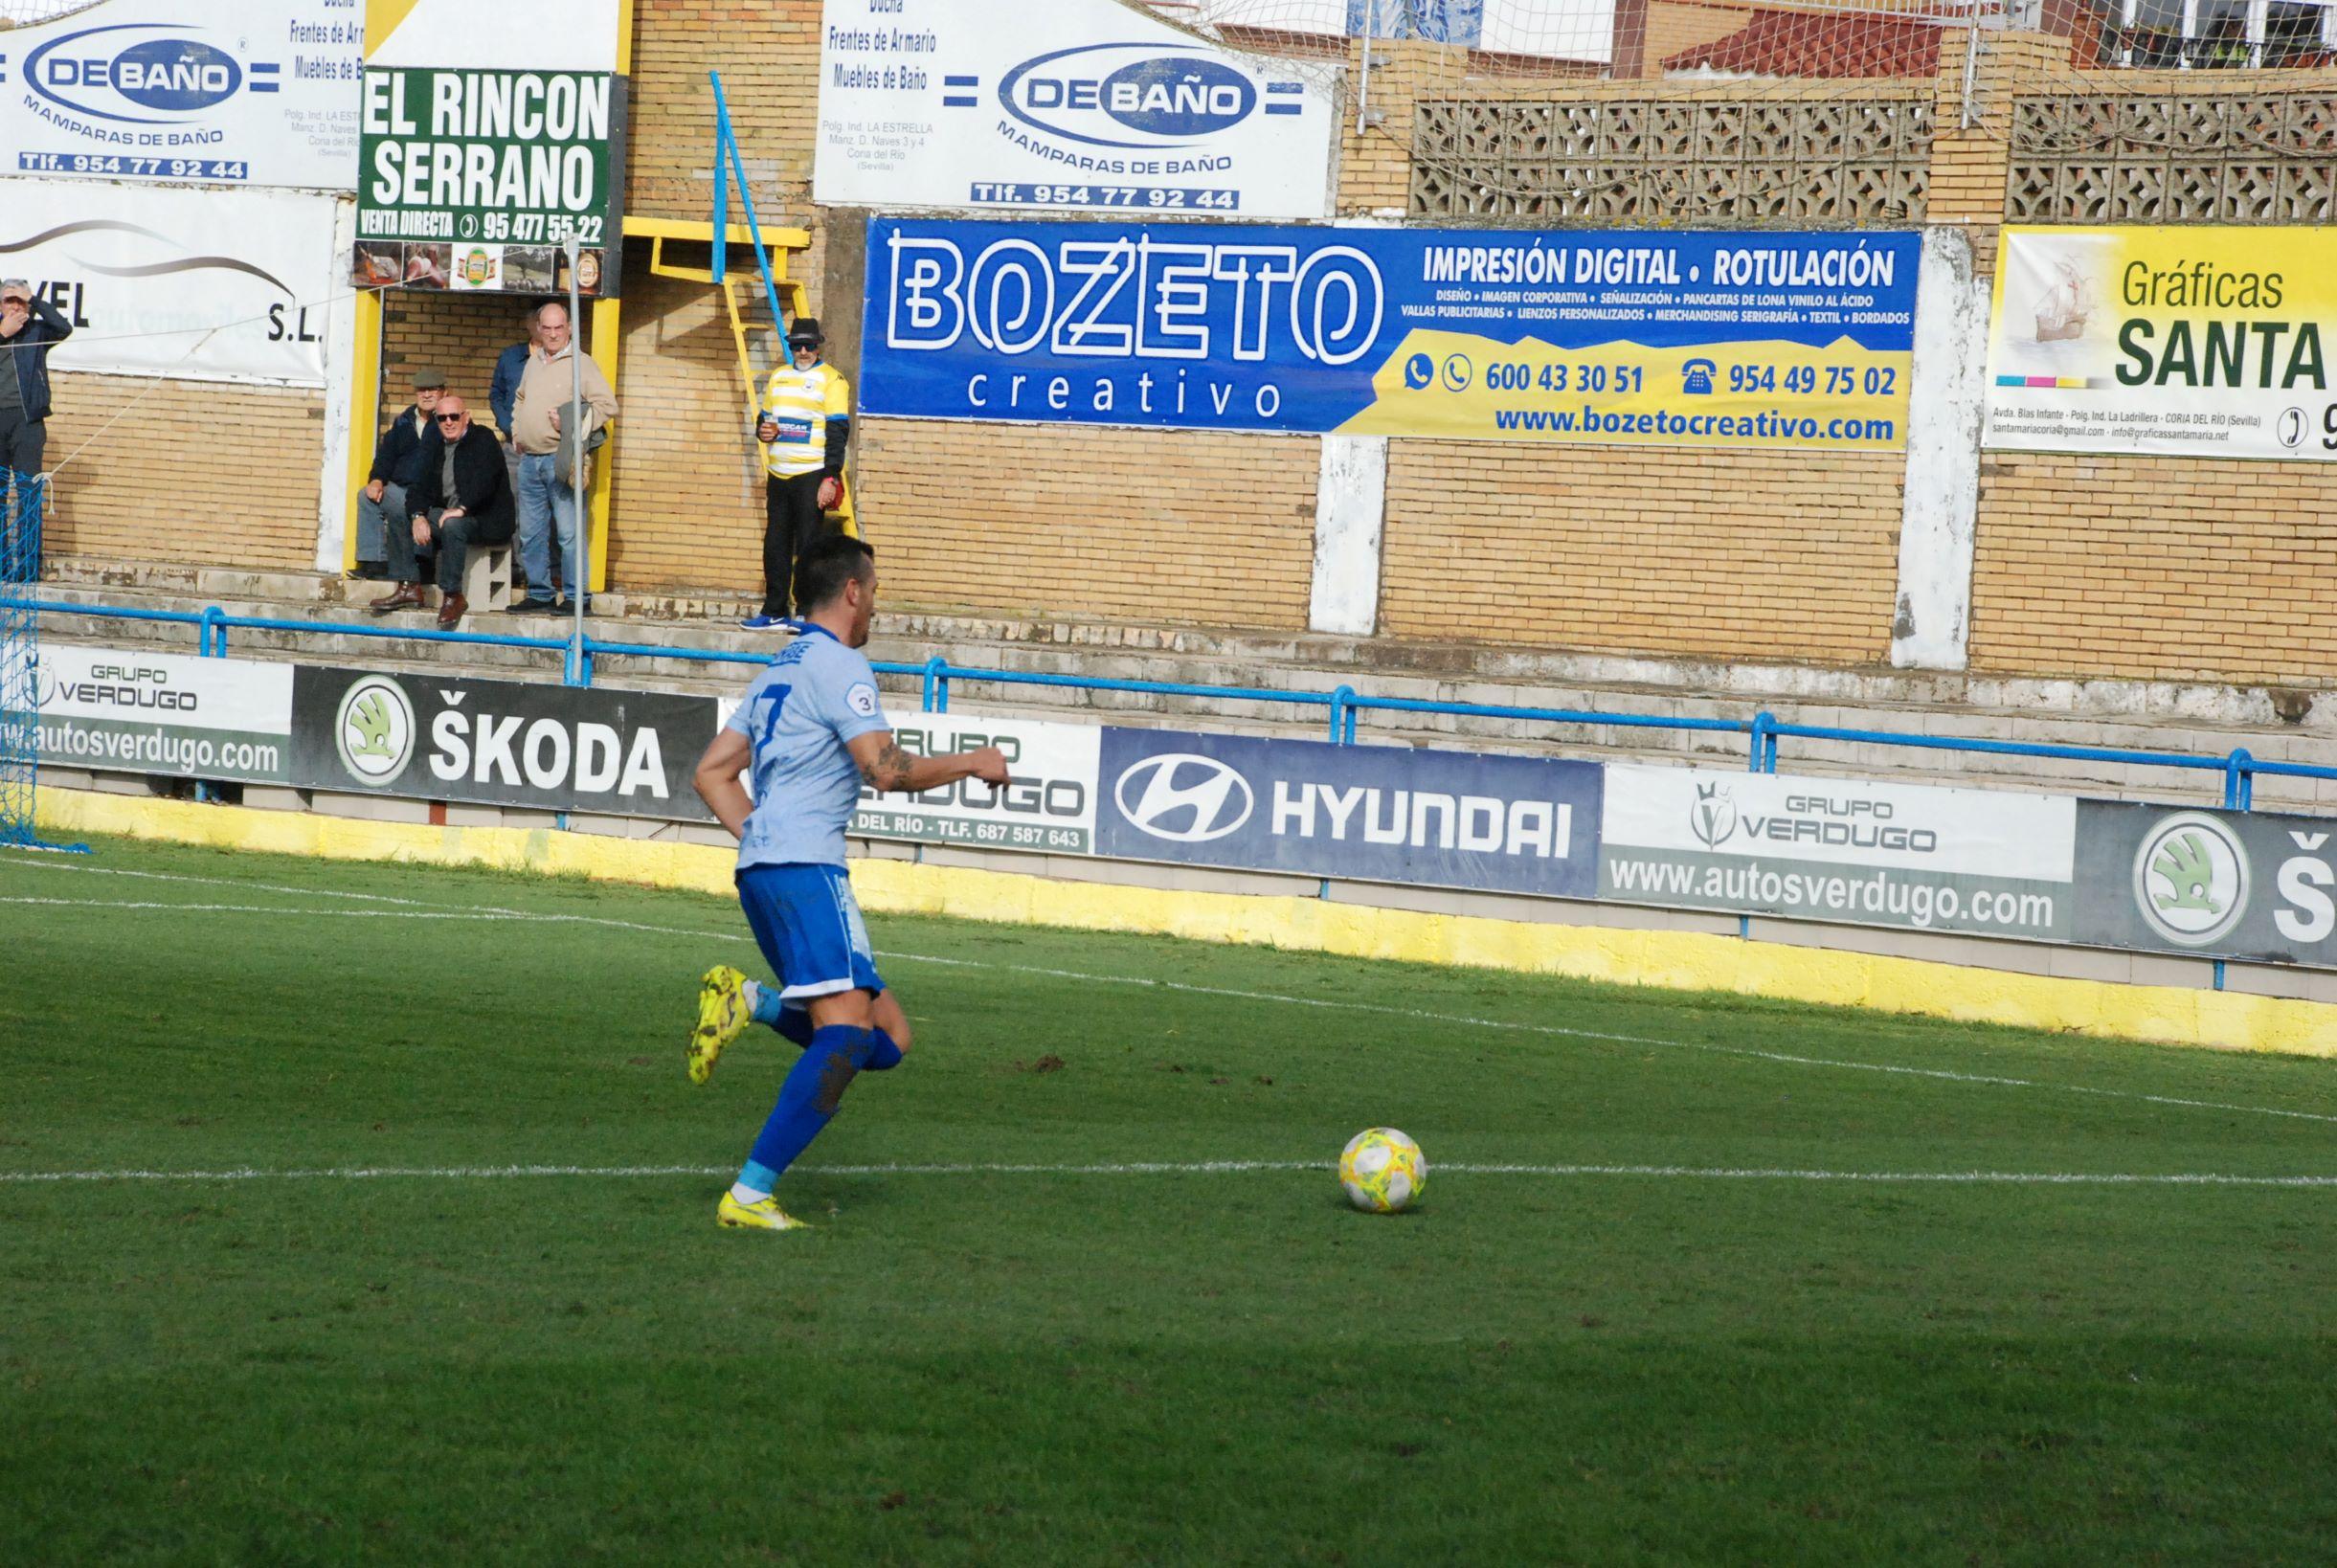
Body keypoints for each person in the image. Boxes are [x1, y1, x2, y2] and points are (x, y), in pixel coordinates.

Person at [686, 535, 1009, 1232]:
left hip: (770, 869)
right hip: (805, 870)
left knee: (885, 1039)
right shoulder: (839, 665)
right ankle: (749, 1194)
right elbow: (885, 769)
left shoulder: (778, 669)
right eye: (875, 594)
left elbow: (711, 773)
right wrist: (971, 762)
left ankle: (757, 1004)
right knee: (843, 1040)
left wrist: (765, 839)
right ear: (854, 592)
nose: (875, 609)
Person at [740, 316, 850, 631]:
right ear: (790, 347)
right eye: (797, 345)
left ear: (818, 347)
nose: (803, 351)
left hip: (811, 473)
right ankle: (775, 609)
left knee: (809, 546)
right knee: (774, 543)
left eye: (809, 346)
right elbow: (765, 420)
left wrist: (831, 477)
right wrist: (763, 432)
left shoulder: (832, 380)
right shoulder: (779, 377)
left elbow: (838, 433)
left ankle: (806, 612)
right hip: (779, 472)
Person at [369, 395, 515, 629]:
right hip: (448, 513)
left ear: (466, 417)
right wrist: (418, 516)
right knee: (400, 512)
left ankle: (452, 595)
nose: (448, 422)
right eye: (442, 418)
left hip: (484, 517)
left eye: (454, 416)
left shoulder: (483, 439)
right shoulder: (434, 443)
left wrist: (462, 508)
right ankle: (409, 585)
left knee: (452, 525)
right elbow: (419, 484)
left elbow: (486, 483)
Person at [509, 301, 617, 616]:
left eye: (559, 327)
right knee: (530, 532)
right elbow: (520, 398)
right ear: (538, 329)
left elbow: (607, 406)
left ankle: (576, 597)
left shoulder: (582, 363)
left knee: (569, 533)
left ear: (569, 328)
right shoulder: (534, 361)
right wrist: (517, 431)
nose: (554, 334)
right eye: (547, 328)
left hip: (562, 458)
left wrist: (570, 423)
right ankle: (540, 593)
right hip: (529, 460)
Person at [350, 370, 445, 580]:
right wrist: (376, 479)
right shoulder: (404, 420)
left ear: (444, 392)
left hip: (431, 492)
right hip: (400, 486)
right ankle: (374, 561)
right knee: (366, 496)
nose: (427, 395)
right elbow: (386, 455)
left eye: (433, 390)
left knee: (410, 505)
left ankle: (421, 563)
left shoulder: (447, 420)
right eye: (422, 390)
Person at [0, 279, 75, 482]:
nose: (15, 306)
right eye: (9, 300)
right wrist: (2, 333)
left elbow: (63, 328)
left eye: (21, 301)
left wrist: (33, 299)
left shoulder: (37, 331)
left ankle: (28, 516)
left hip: (27, 419)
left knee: (28, 484)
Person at [487, 309, 535, 496]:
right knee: (512, 503)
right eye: (537, 321)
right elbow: (496, 394)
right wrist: (508, 426)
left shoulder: (565, 360)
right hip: (513, 448)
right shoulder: (511, 356)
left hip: (549, 449)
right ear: (529, 324)